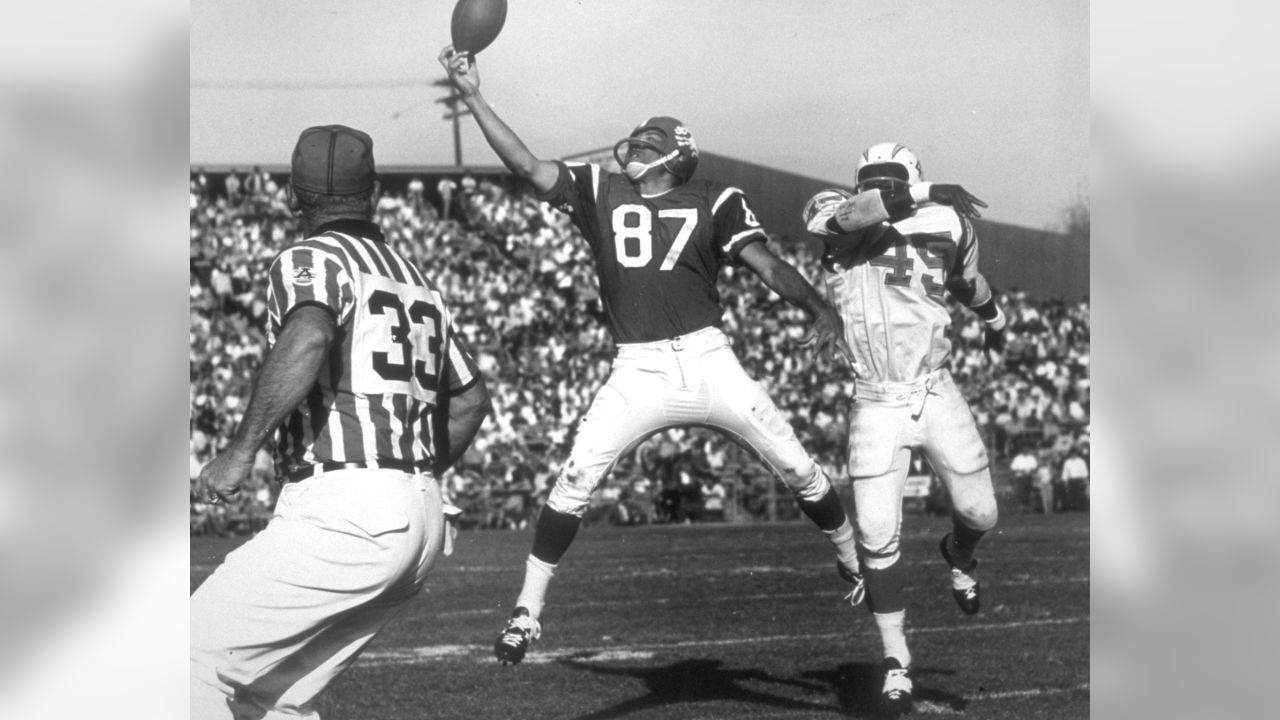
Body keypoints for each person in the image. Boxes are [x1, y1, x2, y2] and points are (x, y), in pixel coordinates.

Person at [438, 46, 866, 665]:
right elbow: (528, 167)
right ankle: (527, 612)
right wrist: (474, 96)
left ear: (675, 154)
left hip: (707, 355)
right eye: (636, 140)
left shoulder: (716, 200)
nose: (632, 147)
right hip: (637, 366)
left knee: (797, 468)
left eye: (647, 141)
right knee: (576, 477)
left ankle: (851, 556)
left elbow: (767, 265)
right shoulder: (598, 190)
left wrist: (819, 310)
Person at [190, 124, 492, 720]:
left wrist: (240, 451)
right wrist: (407, 478)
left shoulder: (310, 257)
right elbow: (469, 400)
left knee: (178, 660)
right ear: (373, 191)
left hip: (345, 509)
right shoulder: (416, 278)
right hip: (422, 518)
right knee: (265, 698)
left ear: (294, 196)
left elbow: (310, 334)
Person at [802, 142, 1002, 717]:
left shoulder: (948, 222)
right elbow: (848, 214)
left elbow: (966, 281)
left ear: (911, 179)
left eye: (891, 181)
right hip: (875, 400)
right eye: (873, 181)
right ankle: (896, 663)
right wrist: (925, 191)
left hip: (935, 388)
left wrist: (994, 316)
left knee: (983, 514)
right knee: (875, 530)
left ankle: (959, 554)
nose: (879, 190)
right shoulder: (833, 212)